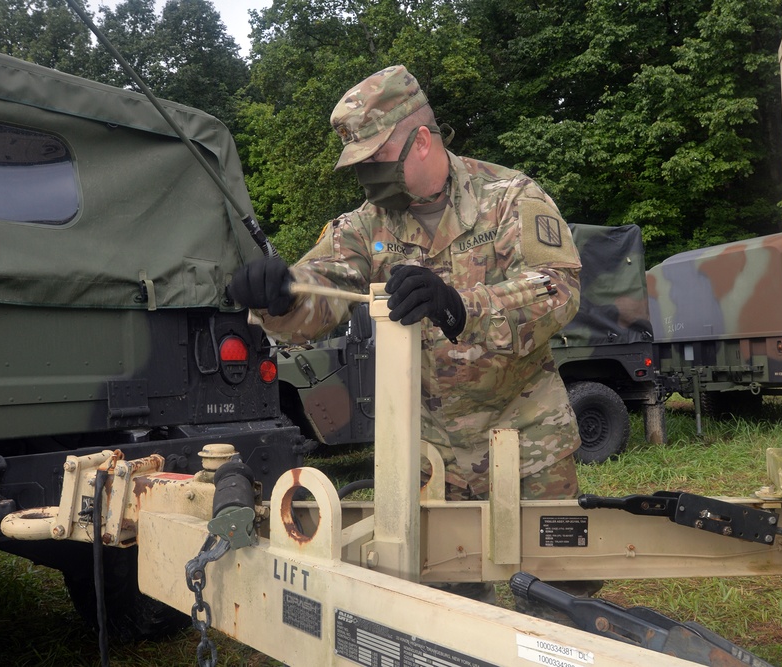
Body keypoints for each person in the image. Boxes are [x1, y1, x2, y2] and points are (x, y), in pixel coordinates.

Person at [230, 64, 583, 504]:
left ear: (419, 142)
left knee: (556, 572)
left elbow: (557, 290)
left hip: (529, 446)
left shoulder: (509, 197)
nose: (366, 175)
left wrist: (461, 307)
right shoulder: (365, 225)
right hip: (425, 459)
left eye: (375, 159)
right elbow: (322, 287)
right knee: (432, 575)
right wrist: (280, 296)